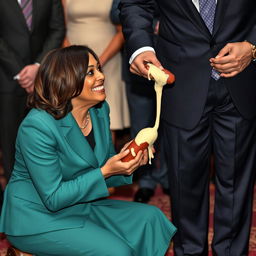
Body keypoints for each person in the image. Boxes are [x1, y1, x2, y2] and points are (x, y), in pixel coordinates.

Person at [0, 45, 176, 256]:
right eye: (91, 72)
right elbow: (54, 197)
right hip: (36, 217)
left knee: (151, 219)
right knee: (116, 252)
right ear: (66, 79)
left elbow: (104, 168)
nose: (102, 76)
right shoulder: (37, 126)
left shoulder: (100, 110)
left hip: (79, 204)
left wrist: (126, 163)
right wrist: (106, 171)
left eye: (99, 69)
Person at [119, 1, 256, 255]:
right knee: (184, 184)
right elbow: (136, 4)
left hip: (241, 79)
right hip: (179, 81)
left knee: (237, 185)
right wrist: (141, 48)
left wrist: (253, 46)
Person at [0, 0, 65, 186]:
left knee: (45, 142)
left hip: (43, 79)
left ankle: (45, 194)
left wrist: (38, 67)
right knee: (10, 143)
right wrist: (20, 71)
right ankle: (16, 200)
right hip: (7, 78)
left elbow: (57, 29)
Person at [111, 0, 169, 203]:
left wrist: (171, 24)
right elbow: (115, 12)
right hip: (139, 69)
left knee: (172, 127)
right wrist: (152, 25)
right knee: (141, 128)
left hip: (174, 66)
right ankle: (145, 181)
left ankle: (168, 178)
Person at [61, 0, 130, 144]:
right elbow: (61, 28)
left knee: (108, 119)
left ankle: (105, 162)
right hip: (74, 64)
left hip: (108, 61)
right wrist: (74, 59)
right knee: (73, 113)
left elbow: (123, 30)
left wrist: (98, 63)